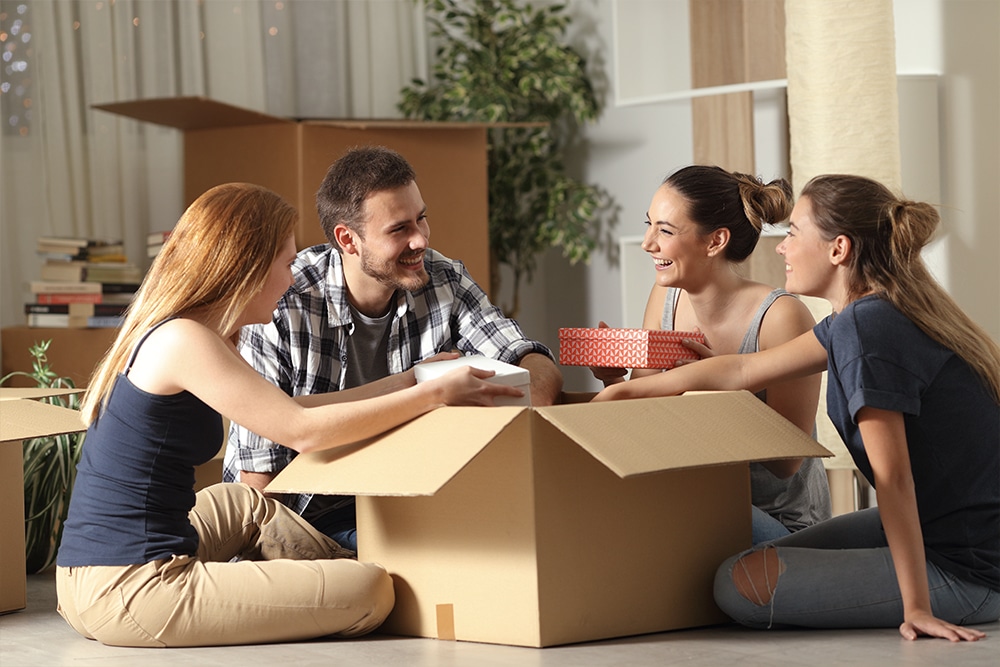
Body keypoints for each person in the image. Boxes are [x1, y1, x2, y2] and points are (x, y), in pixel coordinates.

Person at [55, 183, 526, 648]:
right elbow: (304, 433)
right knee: (373, 591)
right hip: (133, 587)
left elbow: (288, 411)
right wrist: (434, 396)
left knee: (241, 503)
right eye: (285, 264)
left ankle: (329, 564)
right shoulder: (185, 340)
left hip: (99, 569)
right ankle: (337, 573)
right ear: (248, 269)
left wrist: (410, 379)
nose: (292, 278)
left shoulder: (197, 331)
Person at [595, 174, 999, 641]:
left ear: (838, 249)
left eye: (793, 233)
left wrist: (917, 608)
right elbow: (739, 372)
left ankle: (922, 596)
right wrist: (626, 391)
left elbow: (894, 480)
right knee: (744, 567)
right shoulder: (854, 320)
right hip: (939, 528)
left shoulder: (868, 332)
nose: (781, 249)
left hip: (970, 572)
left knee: (734, 586)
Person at [225, 145, 563, 552]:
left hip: (413, 498)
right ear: (348, 239)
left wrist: (535, 390)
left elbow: (521, 353)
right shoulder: (284, 299)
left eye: (421, 218)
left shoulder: (444, 278)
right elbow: (259, 476)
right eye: (399, 229)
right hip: (305, 514)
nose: (420, 239)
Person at [590, 165, 831, 544]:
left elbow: (786, 463)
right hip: (696, 497)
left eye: (665, 231)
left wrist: (715, 391)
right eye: (650, 225)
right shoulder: (666, 298)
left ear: (715, 241)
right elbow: (644, 417)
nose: (647, 243)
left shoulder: (781, 318)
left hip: (779, 522)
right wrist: (611, 378)